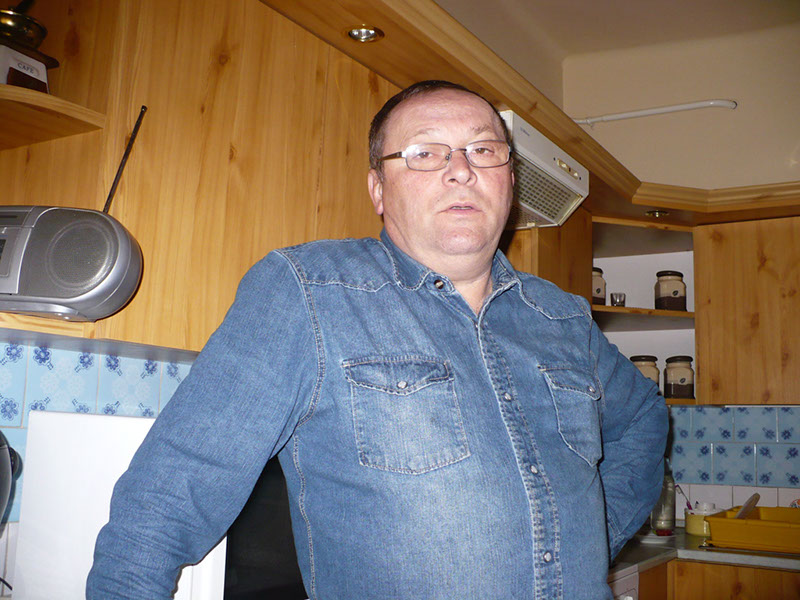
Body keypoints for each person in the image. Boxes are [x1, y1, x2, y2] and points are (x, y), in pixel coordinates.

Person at [87, 80, 667, 599]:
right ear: (378, 190)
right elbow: (169, 498)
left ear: (509, 182)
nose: (461, 170)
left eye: (484, 150)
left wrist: (591, 536)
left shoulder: (563, 317)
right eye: (424, 153)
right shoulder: (307, 292)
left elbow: (644, 418)